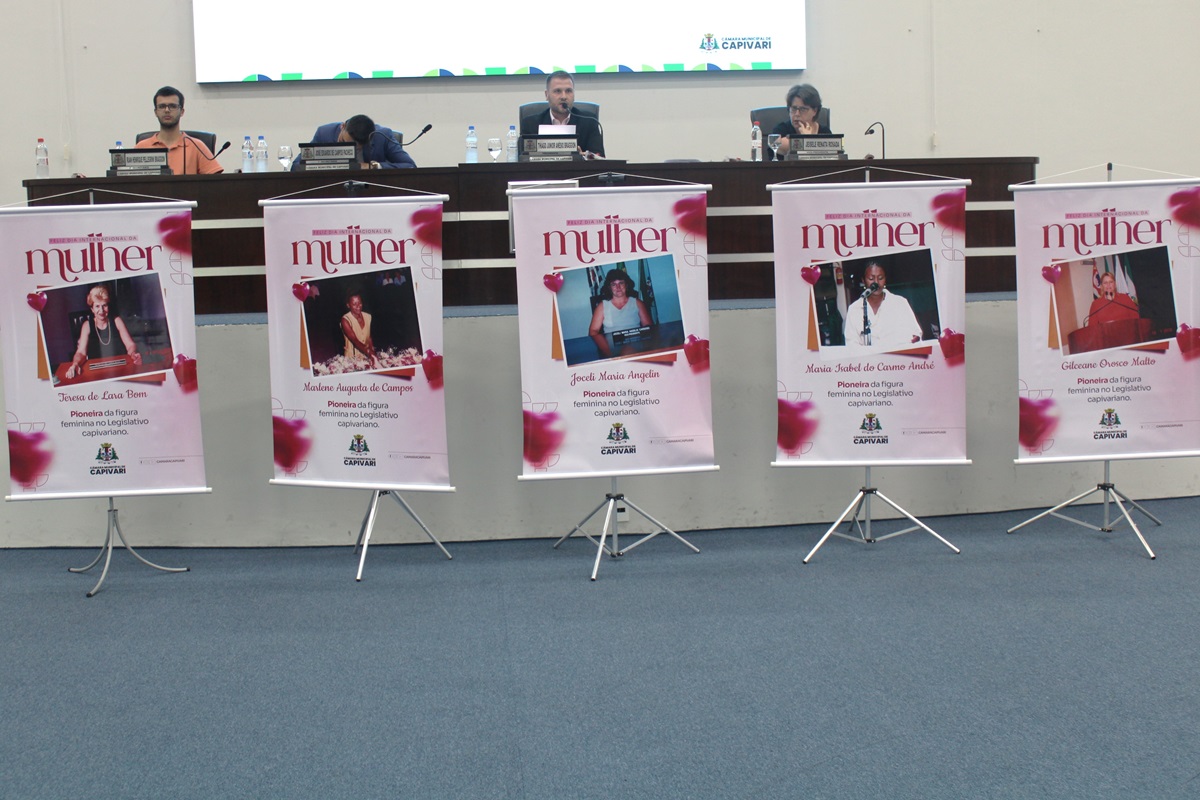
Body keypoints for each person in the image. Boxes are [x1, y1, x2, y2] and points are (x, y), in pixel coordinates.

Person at [134, 86, 224, 175]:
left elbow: (215, 180)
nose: (167, 110)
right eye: (162, 106)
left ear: (182, 111)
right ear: (155, 112)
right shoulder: (142, 147)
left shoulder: (197, 146)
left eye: (173, 106)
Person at [519, 71, 605, 159]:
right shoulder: (530, 124)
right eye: (558, 91)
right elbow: (521, 159)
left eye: (568, 91)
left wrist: (583, 157)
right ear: (547, 95)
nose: (564, 97)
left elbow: (600, 158)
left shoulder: (589, 121)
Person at [64, 284, 141, 379]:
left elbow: (130, 345)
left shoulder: (117, 321)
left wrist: (133, 354)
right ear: (92, 309)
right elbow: (81, 352)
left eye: (104, 305)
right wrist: (75, 364)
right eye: (97, 306)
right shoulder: (87, 326)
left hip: (120, 368)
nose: (101, 310)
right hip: (97, 372)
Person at [842, 262, 923, 349]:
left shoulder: (900, 302)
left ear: (885, 279)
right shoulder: (854, 309)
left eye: (880, 278)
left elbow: (916, 333)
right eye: (871, 278)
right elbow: (851, 344)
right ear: (863, 281)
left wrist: (915, 338)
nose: (876, 283)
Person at [291, 115, 415, 171]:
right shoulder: (324, 133)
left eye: (358, 148)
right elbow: (296, 166)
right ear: (343, 126)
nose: (353, 150)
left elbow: (409, 166)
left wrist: (373, 166)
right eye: (345, 143)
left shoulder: (382, 135)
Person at [589, 270, 651, 358]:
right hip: (612, 346)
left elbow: (648, 327)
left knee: (628, 351)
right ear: (609, 287)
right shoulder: (602, 306)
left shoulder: (637, 303)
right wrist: (606, 350)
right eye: (614, 284)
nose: (618, 287)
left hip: (635, 343)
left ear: (626, 285)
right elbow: (593, 331)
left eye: (621, 283)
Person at [770, 84, 831, 162]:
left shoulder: (824, 132)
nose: (797, 114)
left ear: (815, 111)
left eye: (803, 109)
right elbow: (777, 146)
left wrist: (806, 141)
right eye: (794, 108)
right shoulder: (781, 130)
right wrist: (807, 139)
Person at [341, 293, 378, 368]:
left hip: (366, 356)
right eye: (354, 304)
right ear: (348, 305)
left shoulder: (368, 316)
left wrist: (372, 352)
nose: (358, 306)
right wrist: (369, 352)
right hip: (351, 359)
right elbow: (355, 341)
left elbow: (369, 338)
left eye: (360, 303)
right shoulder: (345, 320)